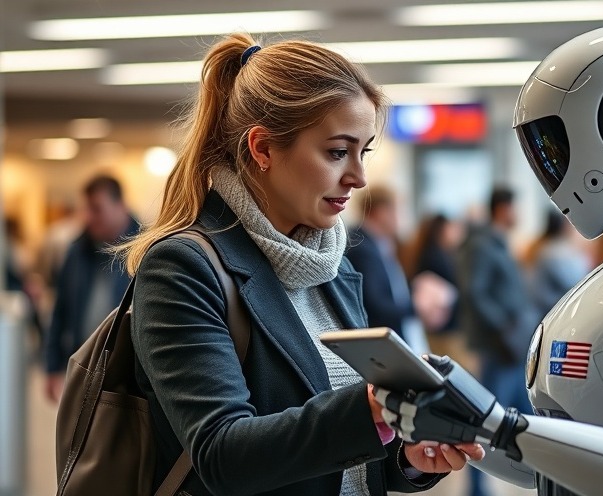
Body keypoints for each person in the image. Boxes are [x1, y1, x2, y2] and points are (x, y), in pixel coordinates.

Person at [118, 34, 482, 496]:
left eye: (363, 151)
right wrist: (369, 408)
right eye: (336, 152)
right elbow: (221, 454)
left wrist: (406, 455)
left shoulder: (333, 266)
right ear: (263, 149)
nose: (359, 177)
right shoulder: (182, 268)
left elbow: (342, 460)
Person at [457, 187, 537, 496]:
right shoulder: (481, 245)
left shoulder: (499, 242)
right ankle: (477, 489)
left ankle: (541, 479)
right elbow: (474, 292)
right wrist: (502, 326)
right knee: (487, 422)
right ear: (502, 209)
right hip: (498, 347)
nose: (518, 215)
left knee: (524, 419)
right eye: (515, 207)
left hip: (513, 347)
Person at [44, 175, 138, 401]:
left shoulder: (145, 250)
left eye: (96, 209)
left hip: (128, 373)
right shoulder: (77, 252)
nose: (89, 217)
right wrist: (52, 366)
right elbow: (61, 310)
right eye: (86, 209)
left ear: (120, 206)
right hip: (84, 365)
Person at [348, 186, 427, 353]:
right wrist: (417, 307)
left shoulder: (379, 243)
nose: (402, 218)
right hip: (379, 347)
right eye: (399, 211)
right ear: (381, 212)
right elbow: (375, 305)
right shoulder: (362, 248)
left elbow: (391, 288)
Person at [403, 214, 469, 364]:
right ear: (442, 230)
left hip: (436, 326)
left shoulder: (424, 253)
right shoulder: (437, 257)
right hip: (445, 328)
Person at [522, 209, 593, 318]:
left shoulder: (542, 247)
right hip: (550, 311)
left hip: (543, 308)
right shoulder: (553, 252)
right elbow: (574, 283)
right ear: (563, 227)